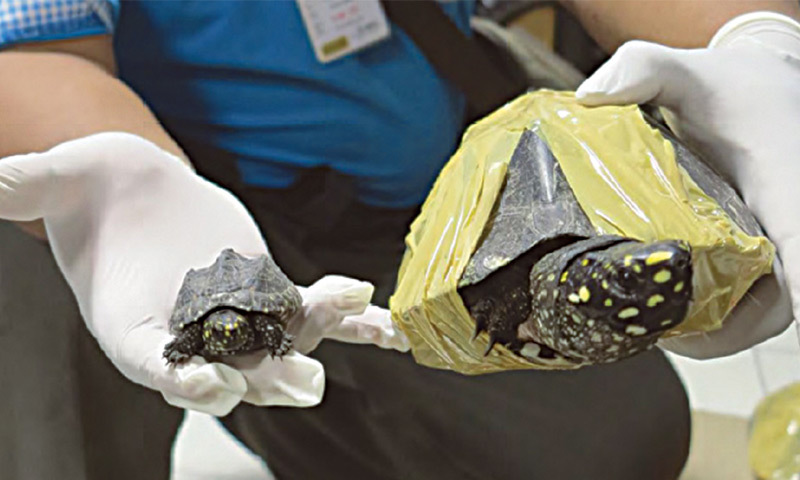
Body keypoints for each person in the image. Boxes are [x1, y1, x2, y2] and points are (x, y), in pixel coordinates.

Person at [0, 1, 798, 479]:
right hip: (220, 199)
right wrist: (127, 194)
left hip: (451, 172)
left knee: (624, 434)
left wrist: (754, 41)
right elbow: (30, 47)